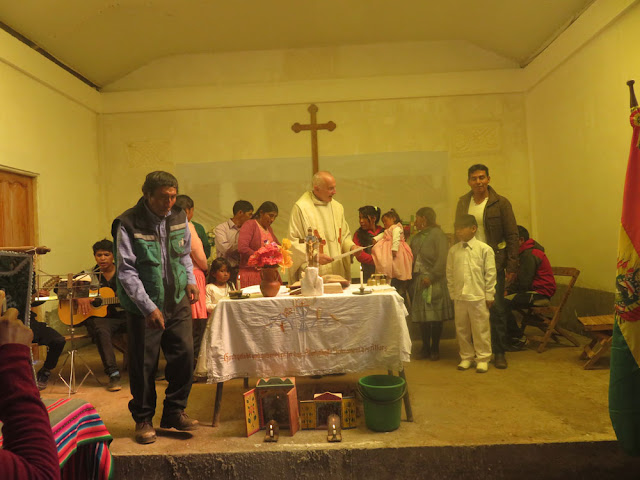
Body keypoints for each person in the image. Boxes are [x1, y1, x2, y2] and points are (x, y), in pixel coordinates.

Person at [112, 171, 200, 445]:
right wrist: (148, 307)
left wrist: (190, 280)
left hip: (176, 301)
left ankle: (174, 411)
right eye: (164, 197)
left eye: (173, 196)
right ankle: (143, 419)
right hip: (144, 307)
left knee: (185, 355)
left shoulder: (178, 216)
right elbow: (126, 271)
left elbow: (183, 254)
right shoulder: (128, 222)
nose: (169, 203)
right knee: (144, 364)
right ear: (147, 194)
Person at [455, 164, 518, 370]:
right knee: (471, 311)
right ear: (469, 181)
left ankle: (499, 352)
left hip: (494, 260)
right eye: (474, 178)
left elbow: (512, 235)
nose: (479, 182)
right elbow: (457, 228)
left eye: (482, 177)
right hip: (468, 260)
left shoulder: (501, 203)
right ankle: (475, 353)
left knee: (496, 308)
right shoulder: (464, 202)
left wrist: (512, 265)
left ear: (489, 179)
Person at [0, 306, 60, 479]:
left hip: (28, 326)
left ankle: (45, 372)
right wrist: (13, 357)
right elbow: (41, 474)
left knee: (58, 340)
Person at [75, 239, 128, 392]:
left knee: (146, 324)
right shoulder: (88, 275)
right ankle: (113, 374)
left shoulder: (124, 273)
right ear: (94, 256)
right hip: (101, 320)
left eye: (107, 254)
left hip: (123, 317)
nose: (103, 258)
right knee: (100, 330)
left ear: (114, 256)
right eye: (99, 255)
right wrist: (80, 296)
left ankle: (149, 369)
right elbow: (60, 289)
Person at [446, 214, 496, 373]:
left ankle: (483, 358)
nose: (458, 232)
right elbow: (450, 273)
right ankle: (466, 357)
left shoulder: (484, 249)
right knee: (461, 329)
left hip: (478, 296)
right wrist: (453, 293)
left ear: (473, 229)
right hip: (460, 296)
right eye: (457, 228)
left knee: (480, 328)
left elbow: (490, 273)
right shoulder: (454, 251)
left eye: (462, 228)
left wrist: (489, 294)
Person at [288, 171, 357, 281]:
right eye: (330, 188)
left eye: (334, 187)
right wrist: (315, 255)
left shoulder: (337, 207)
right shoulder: (302, 208)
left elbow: (344, 236)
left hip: (337, 270)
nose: (335, 192)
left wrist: (352, 247)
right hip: (314, 272)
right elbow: (293, 242)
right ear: (317, 188)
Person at [409, 207, 454, 361]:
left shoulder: (438, 235)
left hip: (434, 281)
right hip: (419, 281)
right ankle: (425, 347)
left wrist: (433, 276)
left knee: (435, 318)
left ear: (424, 219)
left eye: (417, 218)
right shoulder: (415, 238)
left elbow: (443, 258)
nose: (415, 222)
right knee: (423, 318)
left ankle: (435, 348)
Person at [504, 225, 556, 350]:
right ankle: (510, 336)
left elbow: (524, 283)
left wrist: (507, 291)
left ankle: (518, 338)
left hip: (539, 293)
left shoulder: (530, 254)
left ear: (521, 240)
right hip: (531, 290)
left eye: (510, 241)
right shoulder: (524, 253)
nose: (508, 245)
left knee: (502, 304)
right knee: (500, 301)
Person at [175, 195, 209, 362]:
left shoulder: (167, 225)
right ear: (188, 211)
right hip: (193, 276)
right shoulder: (188, 226)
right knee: (196, 322)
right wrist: (206, 267)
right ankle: (195, 362)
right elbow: (199, 255)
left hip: (176, 277)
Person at [237, 201, 280, 288]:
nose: (272, 220)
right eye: (270, 215)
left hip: (268, 275)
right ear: (261, 213)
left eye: (275, 217)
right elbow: (242, 247)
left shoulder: (269, 228)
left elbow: (277, 246)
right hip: (251, 273)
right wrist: (260, 258)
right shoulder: (250, 225)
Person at [371, 209, 414, 294]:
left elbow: (396, 239)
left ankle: (396, 276)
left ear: (393, 219)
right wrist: (375, 239)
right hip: (387, 251)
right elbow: (382, 235)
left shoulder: (396, 228)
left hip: (397, 251)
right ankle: (388, 276)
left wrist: (394, 249)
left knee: (396, 264)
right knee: (386, 263)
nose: (384, 224)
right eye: (383, 222)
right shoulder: (388, 229)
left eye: (385, 221)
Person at [214, 200, 254, 282]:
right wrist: (243, 245)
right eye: (249, 214)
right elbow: (224, 248)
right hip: (226, 272)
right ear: (240, 213)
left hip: (244, 270)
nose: (251, 217)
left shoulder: (249, 230)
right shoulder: (221, 228)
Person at [353, 205, 383, 283]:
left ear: (373, 218)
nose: (361, 221)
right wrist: (377, 260)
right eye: (360, 218)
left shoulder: (384, 232)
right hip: (367, 274)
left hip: (384, 272)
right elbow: (359, 254)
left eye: (364, 218)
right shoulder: (358, 234)